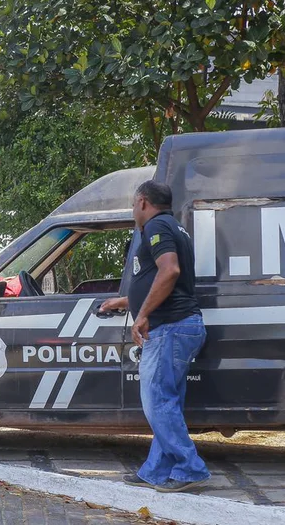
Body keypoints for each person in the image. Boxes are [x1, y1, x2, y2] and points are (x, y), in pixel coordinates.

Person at [98, 180, 210, 493]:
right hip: (179, 325)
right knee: (166, 403)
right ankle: (157, 471)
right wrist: (124, 302)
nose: (134, 211)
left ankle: (190, 468)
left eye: (134, 204)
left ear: (143, 202)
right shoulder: (174, 226)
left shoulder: (156, 226)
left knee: (157, 402)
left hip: (170, 327)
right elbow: (157, 281)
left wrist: (143, 315)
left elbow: (169, 271)